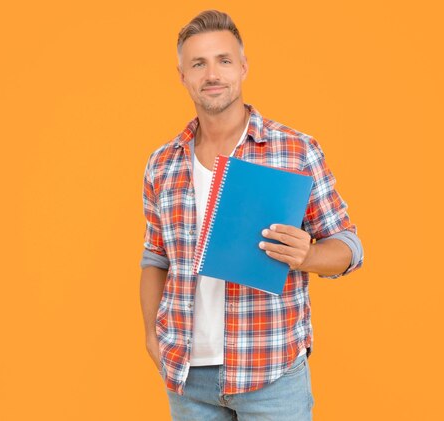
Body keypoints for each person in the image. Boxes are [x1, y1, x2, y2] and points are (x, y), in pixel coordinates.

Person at [139, 9, 363, 420]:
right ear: (182, 75)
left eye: (224, 60)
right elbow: (155, 258)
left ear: (242, 67)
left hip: (272, 374)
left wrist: (308, 256)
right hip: (188, 379)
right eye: (198, 63)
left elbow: (349, 245)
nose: (212, 74)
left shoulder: (294, 151)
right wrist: (152, 337)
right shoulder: (162, 164)